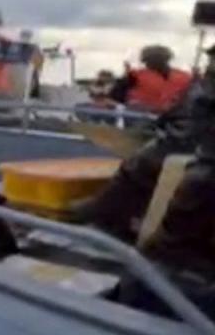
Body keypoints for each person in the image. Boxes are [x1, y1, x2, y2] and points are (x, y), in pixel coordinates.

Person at [75, 45, 215, 276]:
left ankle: (113, 217)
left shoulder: (195, 83)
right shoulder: (189, 81)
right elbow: (181, 112)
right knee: (142, 160)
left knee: (161, 167)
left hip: (189, 141)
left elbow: (191, 120)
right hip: (158, 127)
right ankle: (112, 214)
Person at [107, 44, 192, 113]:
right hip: (140, 118)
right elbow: (113, 98)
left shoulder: (185, 78)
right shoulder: (133, 77)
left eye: (150, 60)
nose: (147, 64)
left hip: (173, 120)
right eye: (147, 61)